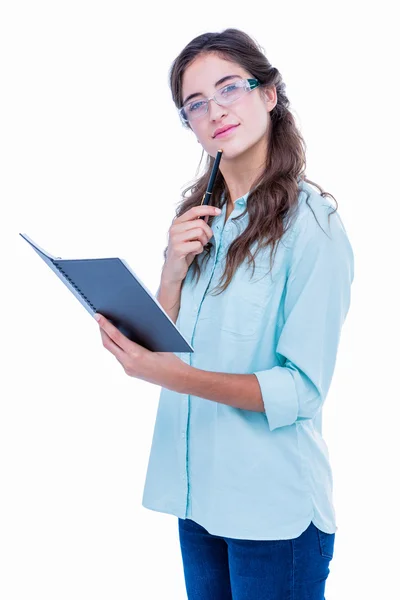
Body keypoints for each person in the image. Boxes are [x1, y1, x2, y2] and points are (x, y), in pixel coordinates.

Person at [94, 27, 354, 600]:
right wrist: (169, 272)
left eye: (230, 88)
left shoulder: (313, 228)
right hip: (199, 498)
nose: (214, 110)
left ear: (268, 94)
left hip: (273, 512)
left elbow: (300, 389)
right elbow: (165, 345)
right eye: (195, 103)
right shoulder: (201, 221)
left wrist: (166, 375)